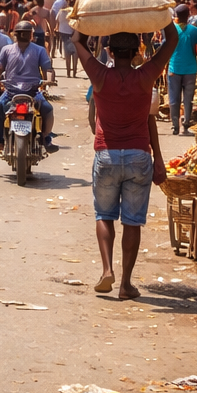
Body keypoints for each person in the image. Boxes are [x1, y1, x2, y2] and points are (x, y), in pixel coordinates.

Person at [75, 25, 177, 300]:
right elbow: (173, 40)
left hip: (106, 155)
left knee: (103, 215)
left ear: (109, 51)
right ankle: (125, 285)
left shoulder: (98, 75)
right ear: (135, 53)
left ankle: (107, 270)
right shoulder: (146, 75)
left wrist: (87, 24)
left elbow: (77, 41)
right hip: (138, 156)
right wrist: (162, 17)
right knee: (132, 222)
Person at [0, 21, 57, 153]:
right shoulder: (6, 50)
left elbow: (47, 68)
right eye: (20, 33)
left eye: (26, 33)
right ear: (15, 34)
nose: (23, 35)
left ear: (31, 35)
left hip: (33, 92)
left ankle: (46, 138)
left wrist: (49, 80)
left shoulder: (39, 50)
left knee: (48, 109)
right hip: (10, 91)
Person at [165, 4, 197, 135]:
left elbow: (167, 48)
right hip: (190, 68)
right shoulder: (195, 31)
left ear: (176, 15)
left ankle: (175, 126)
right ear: (189, 15)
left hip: (174, 68)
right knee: (188, 99)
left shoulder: (170, 30)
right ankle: (185, 125)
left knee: (174, 99)